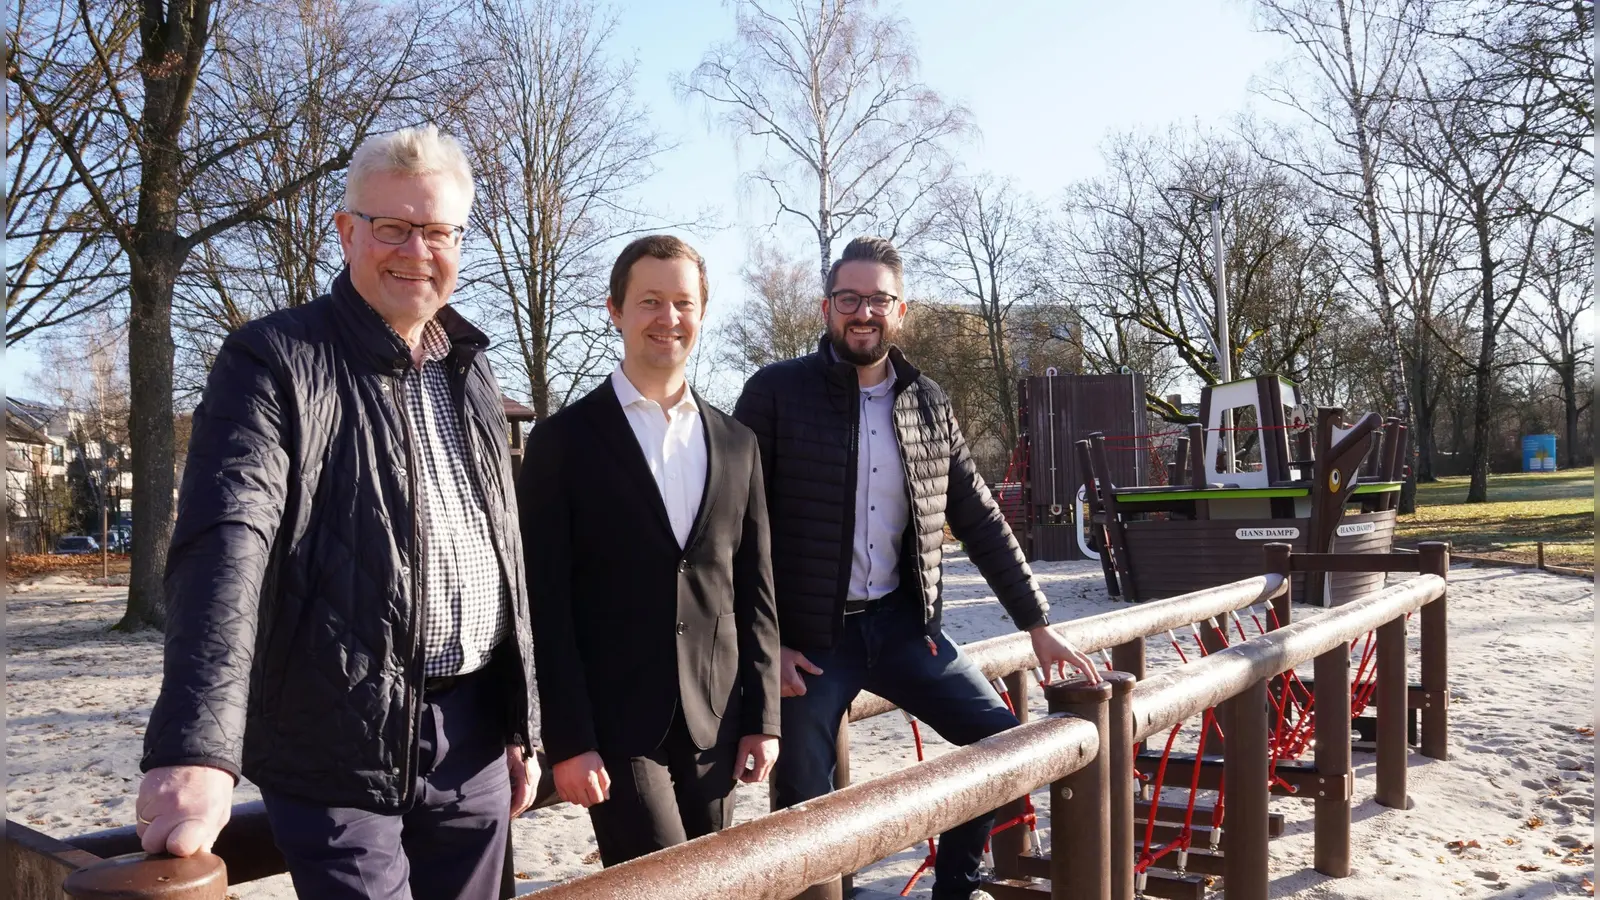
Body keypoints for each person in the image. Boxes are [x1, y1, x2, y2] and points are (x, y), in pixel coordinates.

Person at [136, 124, 541, 900]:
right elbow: (228, 542)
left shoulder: (473, 369)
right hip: (336, 740)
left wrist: (522, 722)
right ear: (348, 231)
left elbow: (505, 551)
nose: (415, 251)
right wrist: (196, 747)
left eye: (438, 231)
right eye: (392, 227)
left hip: (475, 742)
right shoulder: (273, 359)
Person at [733, 235, 1101, 900]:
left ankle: (955, 890)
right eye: (849, 298)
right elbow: (732, 531)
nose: (863, 312)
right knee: (804, 804)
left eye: (878, 299)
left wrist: (1038, 624)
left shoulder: (928, 401)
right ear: (827, 307)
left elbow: (982, 519)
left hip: (905, 629)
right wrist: (768, 647)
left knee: (1004, 746)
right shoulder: (774, 394)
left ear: (900, 311)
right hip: (810, 642)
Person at [518, 235, 782, 866]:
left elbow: (756, 589)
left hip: (715, 719)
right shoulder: (563, 442)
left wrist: (763, 716)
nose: (669, 319)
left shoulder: (738, 442)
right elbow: (542, 604)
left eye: (683, 303)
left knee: (715, 883)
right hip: (615, 729)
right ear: (615, 309)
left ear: (701, 312)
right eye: (650, 301)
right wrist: (568, 738)